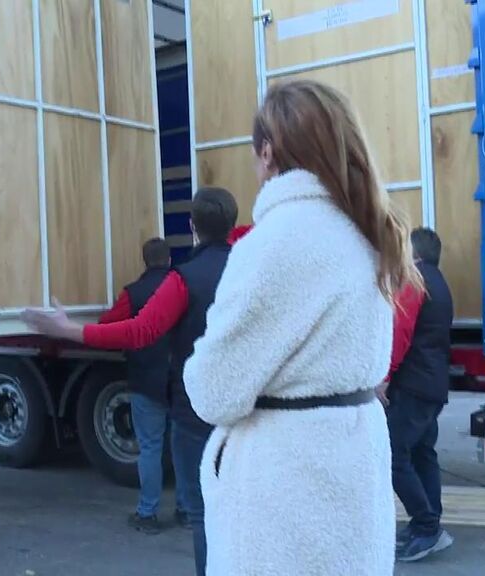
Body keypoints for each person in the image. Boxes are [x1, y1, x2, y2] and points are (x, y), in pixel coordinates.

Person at [178, 79, 421, 575]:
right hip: (355, 467)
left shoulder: (270, 245)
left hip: (284, 496)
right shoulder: (369, 234)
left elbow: (214, 392)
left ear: (267, 152)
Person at [22, 187, 247, 576]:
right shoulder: (253, 268)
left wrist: (69, 330)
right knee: (242, 510)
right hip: (249, 412)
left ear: (192, 227)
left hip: (196, 415)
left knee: (204, 513)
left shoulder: (183, 281)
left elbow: (139, 332)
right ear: (233, 224)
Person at [98, 237, 181, 534]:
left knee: (150, 447)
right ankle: (184, 510)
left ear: (144, 262)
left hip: (146, 380)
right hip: (180, 380)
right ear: (169, 260)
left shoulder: (132, 293)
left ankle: (148, 514)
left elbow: (107, 324)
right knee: (180, 446)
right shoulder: (183, 286)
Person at [381, 227, 454, 562]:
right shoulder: (439, 281)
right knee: (423, 453)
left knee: (394, 455)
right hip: (432, 385)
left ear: (415, 254)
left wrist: (383, 377)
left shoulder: (415, 280)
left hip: (413, 385)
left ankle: (426, 528)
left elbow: (400, 332)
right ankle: (428, 521)